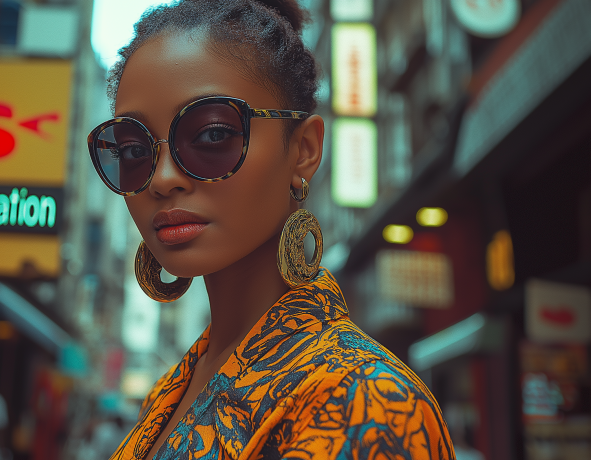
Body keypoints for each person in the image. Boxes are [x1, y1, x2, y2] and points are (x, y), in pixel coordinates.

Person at [86, 1, 455, 458]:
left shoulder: (368, 400)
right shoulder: (169, 390)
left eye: (212, 135)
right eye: (132, 150)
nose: (161, 179)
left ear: (303, 150)